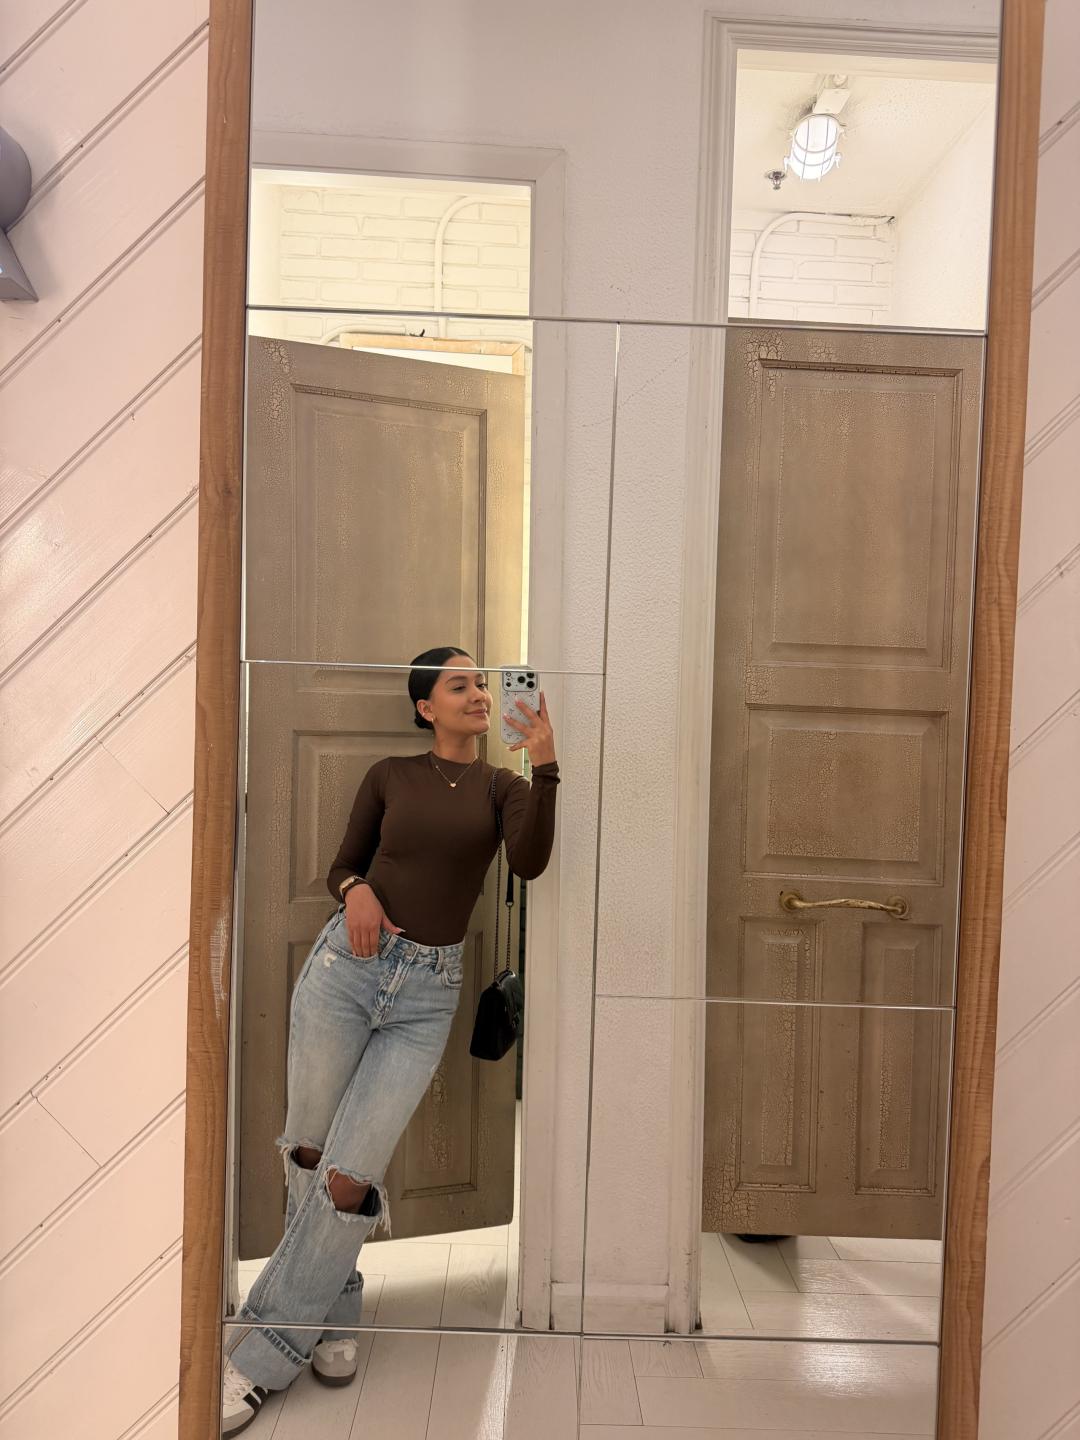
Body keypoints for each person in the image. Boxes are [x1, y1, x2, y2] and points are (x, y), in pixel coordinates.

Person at [220, 647, 560, 1436]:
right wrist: (358, 891)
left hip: (428, 996)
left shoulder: (503, 786)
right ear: (425, 708)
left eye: (482, 684)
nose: (479, 694)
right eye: (459, 685)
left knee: (349, 1175)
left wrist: (544, 764)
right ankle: (334, 1313)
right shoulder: (390, 775)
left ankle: (261, 1356)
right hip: (346, 968)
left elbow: (530, 862)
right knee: (309, 1152)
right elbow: (342, 866)